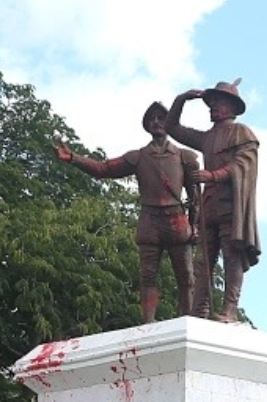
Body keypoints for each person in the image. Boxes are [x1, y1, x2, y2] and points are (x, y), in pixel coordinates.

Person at [55, 102, 200, 323]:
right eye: (152, 119)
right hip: (150, 221)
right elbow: (104, 169)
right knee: (147, 276)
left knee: (186, 277)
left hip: (177, 221)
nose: (156, 122)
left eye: (161, 118)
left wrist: (196, 225)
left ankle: (187, 321)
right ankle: (148, 322)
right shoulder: (138, 157)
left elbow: (195, 197)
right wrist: (74, 158)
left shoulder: (185, 157)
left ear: (169, 123)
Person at [165, 79, 260, 323]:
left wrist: (212, 175)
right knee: (202, 262)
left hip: (231, 206)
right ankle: (200, 309)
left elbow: (242, 166)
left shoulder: (242, 133)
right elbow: (171, 127)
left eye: (217, 102)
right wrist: (181, 100)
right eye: (211, 103)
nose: (212, 107)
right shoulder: (207, 138)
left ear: (231, 106)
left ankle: (229, 309)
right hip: (209, 207)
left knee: (232, 257)